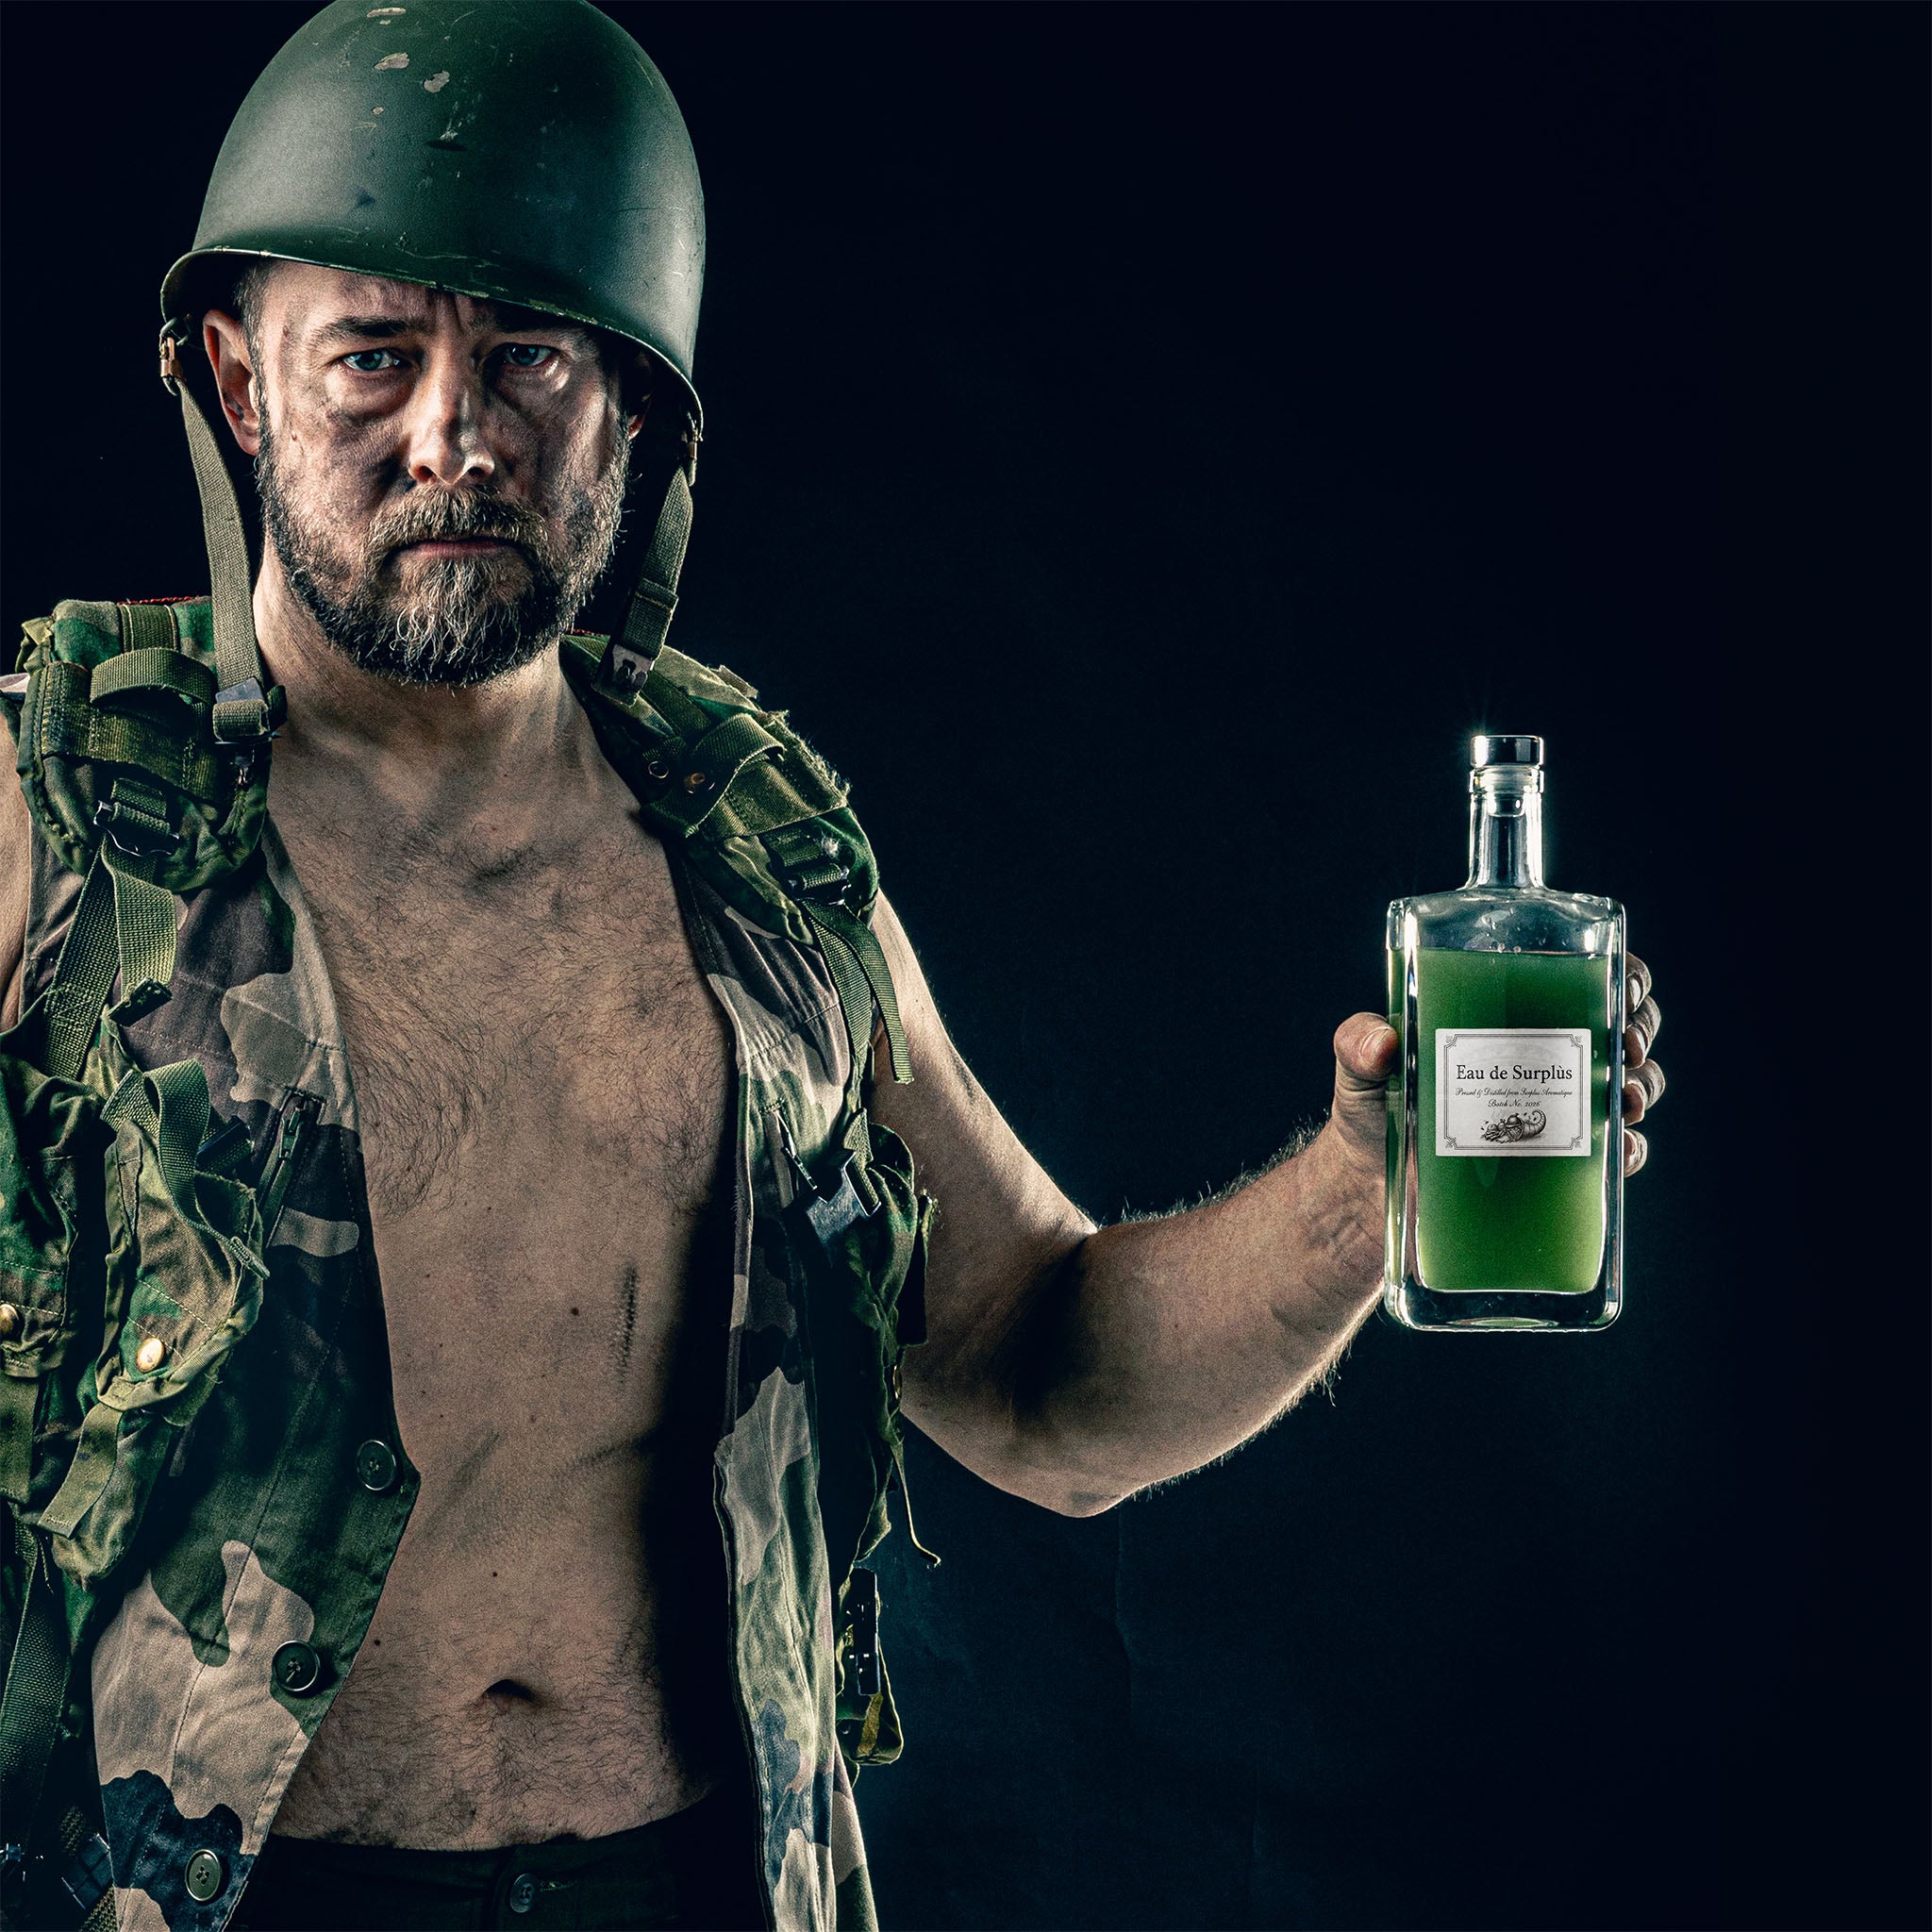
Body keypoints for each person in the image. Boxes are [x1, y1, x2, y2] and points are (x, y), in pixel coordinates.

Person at [0, 5, 1667, 1931]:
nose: (451, 430)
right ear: (237, 379)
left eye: (526, 355)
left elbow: (1043, 1379)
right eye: (371, 356)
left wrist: (1366, 1187)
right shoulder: (52, 812)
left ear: (626, 404)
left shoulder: (758, 855)